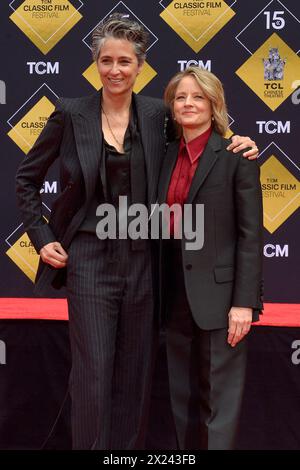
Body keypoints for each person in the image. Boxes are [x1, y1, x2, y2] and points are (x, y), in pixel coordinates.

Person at [15, 14, 259, 450]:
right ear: (94, 63)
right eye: (105, 60)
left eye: (124, 61)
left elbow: (199, 135)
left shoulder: (155, 114)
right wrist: (41, 233)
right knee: (93, 373)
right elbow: (26, 179)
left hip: (145, 259)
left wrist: (238, 139)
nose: (114, 70)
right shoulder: (70, 114)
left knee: (134, 374)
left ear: (140, 66)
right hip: (88, 258)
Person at [158, 67, 263, 450]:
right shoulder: (164, 153)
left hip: (221, 300)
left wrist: (243, 303)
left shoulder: (238, 155)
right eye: (181, 97)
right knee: (179, 398)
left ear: (214, 104)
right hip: (171, 295)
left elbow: (250, 237)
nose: (188, 104)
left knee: (218, 404)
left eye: (198, 97)